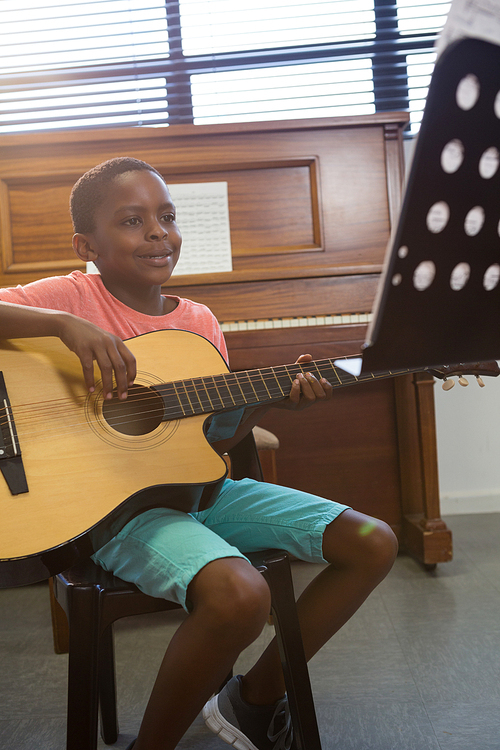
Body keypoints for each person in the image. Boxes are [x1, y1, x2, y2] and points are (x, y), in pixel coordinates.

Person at [0, 157, 398, 750]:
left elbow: (209, 443)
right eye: (133, 221)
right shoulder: (70, 297)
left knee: (373, 542)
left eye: (166, 217)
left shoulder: (198, 322)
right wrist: (61, 325)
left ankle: (255, 701)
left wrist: (271, 403)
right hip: (115, 514)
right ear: (88, 244)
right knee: (241, 594)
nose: (158, 233)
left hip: (199, 494)